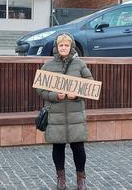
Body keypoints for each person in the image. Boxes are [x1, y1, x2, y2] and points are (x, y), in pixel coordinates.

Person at [36, 33, 93, 190]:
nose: (63, 48)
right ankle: (61, 178)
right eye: (61, 45)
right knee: (58, 148)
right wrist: (55, 96)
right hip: (56, 113)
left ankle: (81, 178)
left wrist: (78, 94)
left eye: (66, 45)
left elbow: (90, 85)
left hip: (75, 114)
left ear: (71, 47)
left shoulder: (80, 65)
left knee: (78, 148)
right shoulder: (47, 66)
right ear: (56, 47)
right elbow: (40, 90)